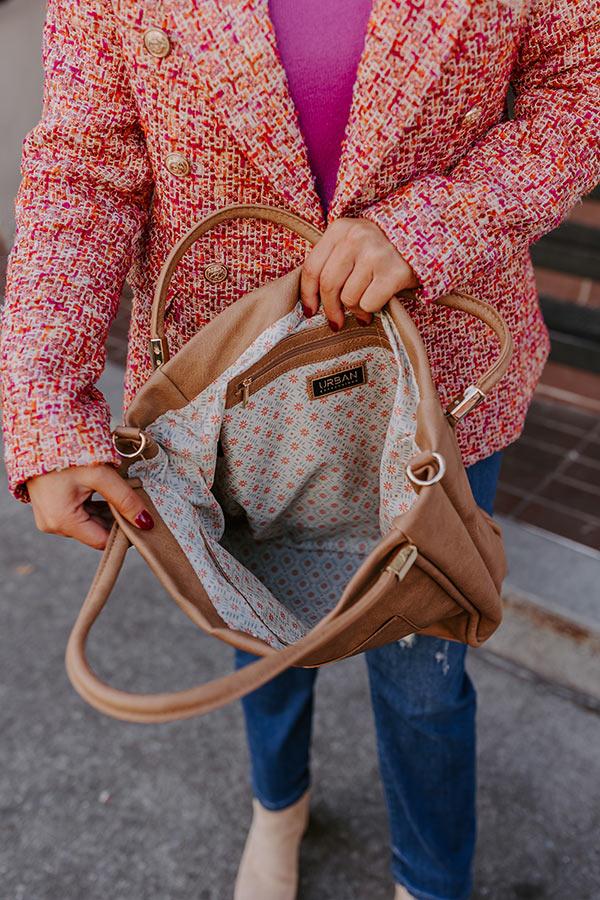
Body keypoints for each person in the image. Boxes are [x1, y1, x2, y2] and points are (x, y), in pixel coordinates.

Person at [1, 1, 598, 898]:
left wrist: (435, 224)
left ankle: (432, 881)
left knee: (425, 677)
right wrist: (46, 400)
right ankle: (278, 806)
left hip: (439, 380)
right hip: (228, 393)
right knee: (258, 632)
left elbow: (579, 88)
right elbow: (84, 167)